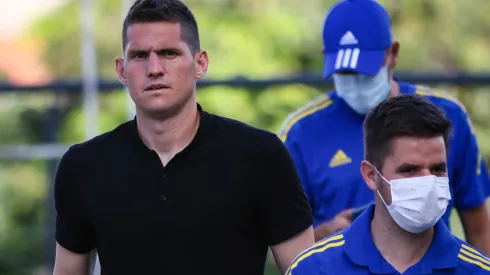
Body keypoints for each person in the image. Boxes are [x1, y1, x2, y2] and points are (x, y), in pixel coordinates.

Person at [52, 0, 314, 274]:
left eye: (169, 53)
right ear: (121, 70)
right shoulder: (84, 166)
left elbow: (305, 270)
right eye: (139, 56)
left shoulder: (260, 156)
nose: (154, 68)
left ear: (200, 63)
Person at [278, 0, 490, 253]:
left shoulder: (447, 114)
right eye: (345, 72)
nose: (356, 81)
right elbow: (281, 242)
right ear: (327, 58)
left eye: (366, 71)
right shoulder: (300, 133)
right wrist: (325, 234)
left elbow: (478, 224)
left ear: (393, 54)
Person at [286, 94, 490, 275]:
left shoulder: (477, 270)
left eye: (438, 169)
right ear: (371, 175)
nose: (428, 182)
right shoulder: (313, 268)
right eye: (409, 170)